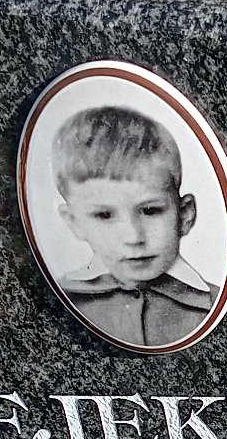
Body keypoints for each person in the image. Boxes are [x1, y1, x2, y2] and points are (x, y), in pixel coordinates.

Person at [50, 105, 216, 349]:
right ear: (74, 222)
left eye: (150, 210)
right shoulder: (57, 303)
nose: (134, 237)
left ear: (185, 215)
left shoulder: (213, 304)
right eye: (104, 215)